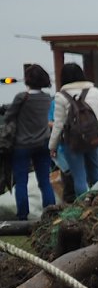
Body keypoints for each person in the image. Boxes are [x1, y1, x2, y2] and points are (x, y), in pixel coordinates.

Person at [46, 63, 98, 198]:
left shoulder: (61, 96)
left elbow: (58, 124)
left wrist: (52, 146)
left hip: (72, 143)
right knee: (95, 174)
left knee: (79, 177)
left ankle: (83, 207)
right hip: (93, 139)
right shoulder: (95, 92)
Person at [9, 64, 57, 218]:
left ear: (28, 80)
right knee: (44, 181)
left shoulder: (22, 97)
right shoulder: (47, 98)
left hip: (22, 144)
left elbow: (10, 116)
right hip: (43, 143)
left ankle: (23, 216)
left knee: (21, 182)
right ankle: (50, 213)